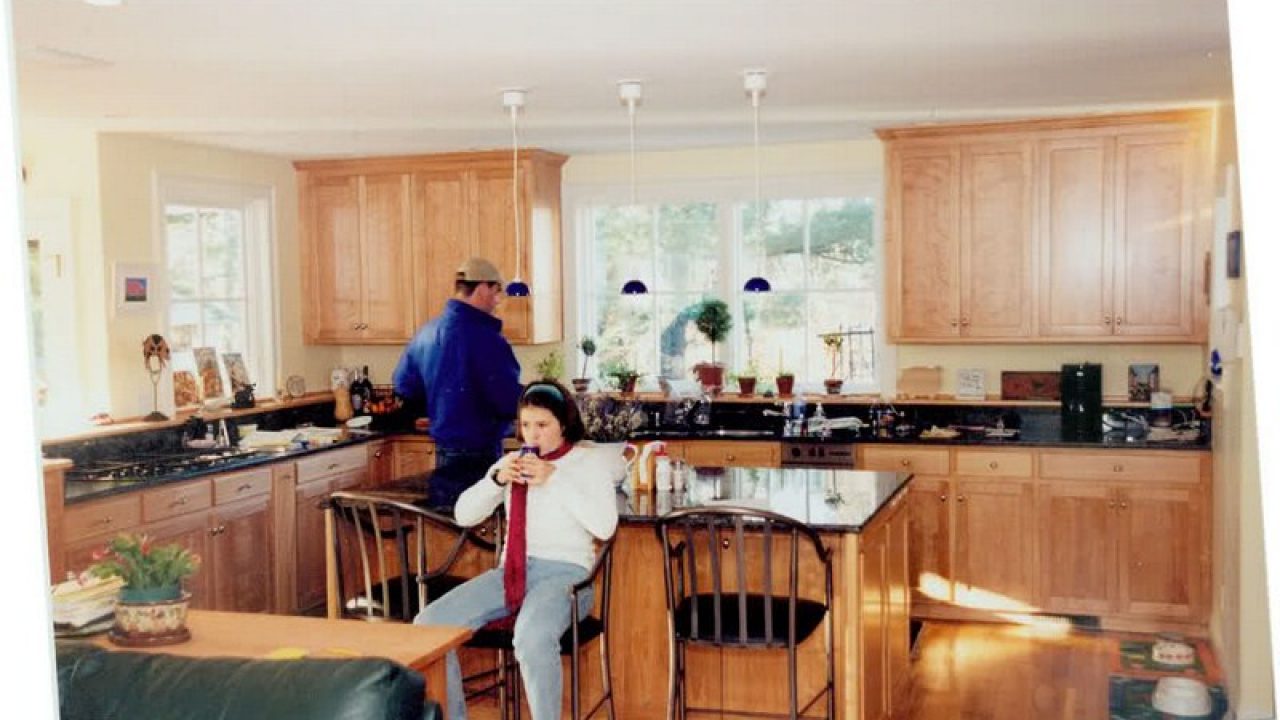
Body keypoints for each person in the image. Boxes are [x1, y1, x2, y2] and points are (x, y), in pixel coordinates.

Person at [416, 380, 623, 720]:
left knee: (531, 637)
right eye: (526, 425)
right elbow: (464, 515)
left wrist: (554, 478)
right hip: (511, 573)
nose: (532, 435)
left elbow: (605, 527)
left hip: (568, 578)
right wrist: (495, 480)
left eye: (542, 425)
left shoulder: (588, 463)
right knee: (429, 625)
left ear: (564, 423)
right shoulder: (512, 462)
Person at [393, 257, 522, 505]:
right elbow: (507, 400)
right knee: (479, 530)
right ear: (483, 287)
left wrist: (438, 408)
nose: (498, 301)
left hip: (444, 450)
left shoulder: (425, 333)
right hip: (479, 453)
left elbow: (404, 387)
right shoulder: (486, 339)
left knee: (447, 528)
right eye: (497, 292)